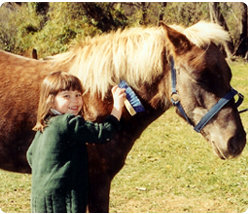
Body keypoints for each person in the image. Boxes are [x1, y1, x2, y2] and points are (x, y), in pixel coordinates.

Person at [26, 71, 126, 213]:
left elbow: (30, 155)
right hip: (65, 198)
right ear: (50, 100)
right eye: (66, 96)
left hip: (40, 199)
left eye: (78, 95)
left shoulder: (44, 126)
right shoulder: (68, 122)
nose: (75, 100)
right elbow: (103, 133)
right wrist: (117, 107)